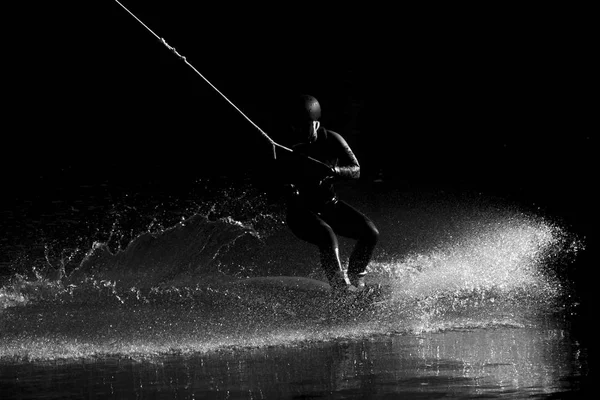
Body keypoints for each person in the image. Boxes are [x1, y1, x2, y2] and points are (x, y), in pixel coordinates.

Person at [278, 94, 379, 294]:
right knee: (326, 234)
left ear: (316, 124)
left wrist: (334, 172)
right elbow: (271, 180)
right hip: (300, 213)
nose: (298, 131)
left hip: (329, 206)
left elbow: (356, 169)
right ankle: (340, 290)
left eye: (303, 126)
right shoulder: (284, 146)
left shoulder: (331, 139)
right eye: (295, 126)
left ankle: (356, 280)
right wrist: (286, 187)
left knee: (370, 233)